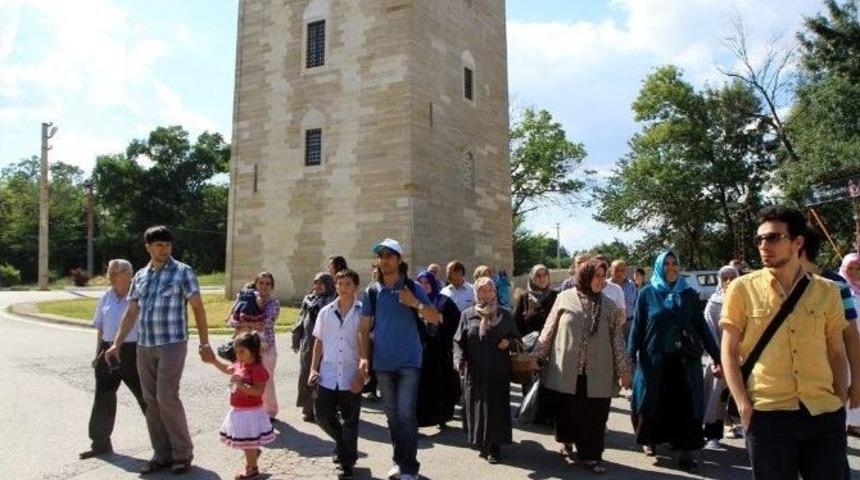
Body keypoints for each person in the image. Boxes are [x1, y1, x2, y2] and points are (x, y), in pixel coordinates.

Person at [722, 206, 849, 480]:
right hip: (768, 413)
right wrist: (743, 404)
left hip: (822, 412)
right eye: (759, 239)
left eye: (774, 237)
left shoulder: (827, 291)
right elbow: (729, 352)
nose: (764, 245)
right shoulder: (742, 288)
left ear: (797, 242)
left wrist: (839, 403)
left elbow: (837, 352)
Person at [105, 225, 213, 475]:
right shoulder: (141, 276)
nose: (163, 249)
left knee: (166, 396)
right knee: (151, 400)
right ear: (148, 247)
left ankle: (182, 453)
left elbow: (197, 307)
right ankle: (161, 454)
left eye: (167, 245)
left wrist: (204, 342)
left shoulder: (183, 272)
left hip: (172, 342)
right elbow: (131, 312)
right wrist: (117, 344)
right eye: (158, 245)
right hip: (145, 344)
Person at [532, 260, 632, 474]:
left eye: (603, 276)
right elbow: (548, 330)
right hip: (568, 370)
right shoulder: (564, 298)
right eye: (597, 276)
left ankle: (591, 456)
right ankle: (566, 443)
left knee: (596, 416)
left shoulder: (609, 306)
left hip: (599, 371)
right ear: (585, 276)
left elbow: (618, 341)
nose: (600, 280)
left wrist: (624, 371)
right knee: (568, 411)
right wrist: (537, 356)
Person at [628, 250, 721, 473]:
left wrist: (718, 357)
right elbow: (637, 328)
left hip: (684, 361)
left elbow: (701, 328)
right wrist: (630, 357)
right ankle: (650, 441)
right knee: (652, 401)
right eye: (666, 263)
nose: (671, 267)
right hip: (655, 359)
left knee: (685, 406)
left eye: (674, 263)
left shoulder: (688, 294)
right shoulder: (647, 293)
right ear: (659, 267)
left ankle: (685, 452)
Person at [357, 238, 441, 480]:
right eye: (380, 256)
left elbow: (435, 318)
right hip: (383, 363)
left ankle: (410, 468)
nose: (384, 260)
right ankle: (398, 460)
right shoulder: (372, 291)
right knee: (392, 415)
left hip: (409, 362)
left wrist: (414, 303)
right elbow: (363, 329)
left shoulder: (413, 288)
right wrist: (364, 358)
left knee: (406, 413)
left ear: (399, 259)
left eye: (389, 256)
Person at [79, 259, 147, 459]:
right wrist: (97, 353)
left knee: (146, 397)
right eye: (109, 273)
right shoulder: (106, 296)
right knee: (103, 397)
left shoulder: (139, 296)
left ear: (128, 274)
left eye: (114, 273)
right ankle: (100, 443)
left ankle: (165, 446)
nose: (109, 277)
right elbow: (101, 327)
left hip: (133, 350)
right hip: (107, 350)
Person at [454, 276, 520, 464]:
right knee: (477, 407)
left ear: (495, 292)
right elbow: (458, 341)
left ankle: (495, 446)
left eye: (490, 290)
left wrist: (509, 342)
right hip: (475, 372)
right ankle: (482, 441)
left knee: (496, 408)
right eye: (482, 290)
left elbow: (518, 340)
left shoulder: (505, 315)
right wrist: (459, 359)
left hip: (498, 371)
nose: (486, 294)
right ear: (476, 293)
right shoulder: (467, 315)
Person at [309, 269, 365, 480]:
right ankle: (345, 446)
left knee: (351, 420)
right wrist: (314, 368)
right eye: (339, 284)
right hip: (328, 374)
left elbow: (367, 345)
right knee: (322, 416)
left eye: (347, 284)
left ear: (355, 287)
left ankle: (346, 463)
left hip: (352, 374)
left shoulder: (362, 313)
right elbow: (319, 341)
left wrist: (362, 373)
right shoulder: (326, 312)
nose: (343, 288)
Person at [208, 331, 276, 480]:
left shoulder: (258, 369)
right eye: (236, 352)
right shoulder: (240, 364)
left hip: (250, 413)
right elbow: (227, 368)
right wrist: (214, 361)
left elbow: (259, 391)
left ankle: (253, 470)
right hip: (238, 411)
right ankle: (253, 455)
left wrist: (242, 386)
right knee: (246, 442)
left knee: (247, 442)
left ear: (254, 351)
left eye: (242, 352)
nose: (238, 355)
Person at [230, 272, 280, 420]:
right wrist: (249, 323)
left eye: (267, 284)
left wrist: (244, 323)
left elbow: (266, 323)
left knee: (266, 380)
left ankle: (270, 412)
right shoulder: (246, 298)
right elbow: (231, 320)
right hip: (246, 348)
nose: (264, 286)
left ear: (272, 286)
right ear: (256, 284)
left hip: (266, 347)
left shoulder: (273, 303)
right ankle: (251, 409)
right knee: (244, 378)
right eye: (261, 283)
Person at [415, 270, 461, 429]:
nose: (423, 286)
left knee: (441, 385)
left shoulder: (444, 301)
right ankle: (420, 420)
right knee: (421, 387)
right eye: (420, 283)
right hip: (420, 351)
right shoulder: (412, 302)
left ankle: (442, 417)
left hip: (441, 351)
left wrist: (442, 321)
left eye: (427, 283)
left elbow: (457, 322)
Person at [702, 266, 740, 448]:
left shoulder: (746, 300)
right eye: (725, 277)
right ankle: (712, 436)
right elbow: (709, 331)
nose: (729, 280)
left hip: (742, 358)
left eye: (733, 276)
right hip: (719, 359)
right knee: (715, 398)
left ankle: (745, 433)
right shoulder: (714, 303)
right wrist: (719, 358)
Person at [292, 272, 336, 422]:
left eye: (320, 283)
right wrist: (296, 338)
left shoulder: (334, 301)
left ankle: (325, 409)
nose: (317, 286)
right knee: (306, 375)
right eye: (315, 283)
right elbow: (301, 320)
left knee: (325, 376)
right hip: (308, 344)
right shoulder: (308, 300)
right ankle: (308, 408)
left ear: (328, 284)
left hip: (327, 344)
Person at [513, 264, 558, 337]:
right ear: (532, 278)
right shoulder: (524, 298)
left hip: (554, 344)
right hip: (531, 345)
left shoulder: (556, 296)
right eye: (538, 276)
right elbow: (516, 324)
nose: (542, 278)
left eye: (544, 275)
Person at [610, 260, 638, 328]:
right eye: (616, 270)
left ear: (626, 271)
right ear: (611, 271)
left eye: (622, 270)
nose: (619, 273)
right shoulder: (605, 286)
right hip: (611, 325)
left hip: (629, 323)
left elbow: (637, 303)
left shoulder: (631, 285)